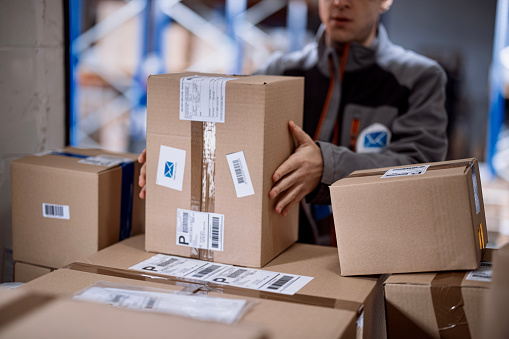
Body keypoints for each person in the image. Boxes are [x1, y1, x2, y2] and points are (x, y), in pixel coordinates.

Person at [138, 0, 448, 246]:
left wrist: (327, 166)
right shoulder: (282, 71)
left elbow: (419, 168)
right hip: (287, 247)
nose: (340, 2)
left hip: (375, 251)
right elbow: (232, 137)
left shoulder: (418, 78)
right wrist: (180, 157)